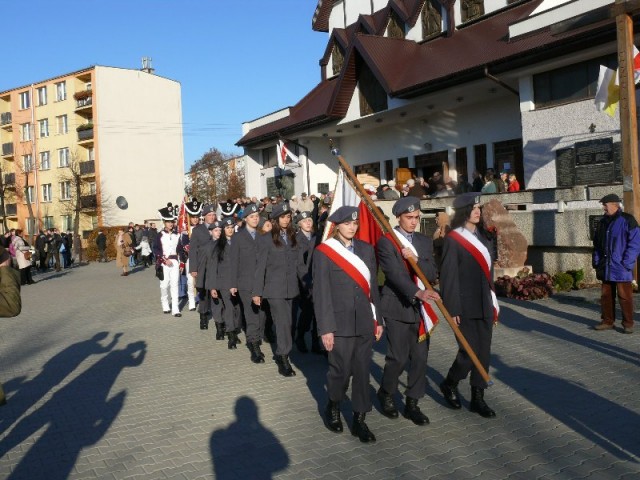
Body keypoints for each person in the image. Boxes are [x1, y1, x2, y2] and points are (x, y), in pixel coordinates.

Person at [313, 206, 383, 443]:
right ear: (337, 226)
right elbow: (321, 293)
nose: (352, 227)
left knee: (363, 373)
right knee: (340, 373)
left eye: (355, 224)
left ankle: (360, 420)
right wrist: (325, 329)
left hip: (364, 321)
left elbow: (373, 288)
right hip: (338, 325)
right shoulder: (324, 252)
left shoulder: (366, 249)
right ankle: (333, 405)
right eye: (347, 224)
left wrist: (378, 319)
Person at [376, 197, 440, 426]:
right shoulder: (387, 242)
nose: (414, 222)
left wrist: (415, 259)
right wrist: (417, 293)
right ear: (398, 217)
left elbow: (431, 272)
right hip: (397, 306)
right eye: (409, 217)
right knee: (398, 358)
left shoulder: (423, 241)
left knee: (420, 358)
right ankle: (386, 392)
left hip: (420, 309)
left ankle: (413, 402)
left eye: (417, 217)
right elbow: (394, 274)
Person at [439, 192, 499, 418]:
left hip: (484, 302)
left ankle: (478, 398)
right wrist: (452, 309)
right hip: (463, 305)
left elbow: (490, 272)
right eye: (473, 208)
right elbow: (448, 277)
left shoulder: (484, 236)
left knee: (483, 352)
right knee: (468, 352)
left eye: (478, 208)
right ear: (463, 212)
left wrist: (493, 301)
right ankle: (450, 383)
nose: (477, 211)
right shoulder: (454, 239)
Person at [253, 203, 300, 377]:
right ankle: (283, 357)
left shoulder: (292, 236)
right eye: (283, 217)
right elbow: (260, 267)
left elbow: (298, 265)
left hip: (291, 289)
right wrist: (257, 292)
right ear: (275, 219)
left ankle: (284, 350)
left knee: (289, 323)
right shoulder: (266, 239)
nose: (286, 220)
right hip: (274, 289)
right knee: (283, 323)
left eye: (288, 216)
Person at [592, 193, 640, 334]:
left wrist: (627, 263)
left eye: (605, 206)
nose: (604, 209)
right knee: (606, 296)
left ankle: (628, 323)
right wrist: (596, 261)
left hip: (621, 267)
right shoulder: (602, 222)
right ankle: (607, 321)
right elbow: (597, 245)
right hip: (605, 266)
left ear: (614, 205)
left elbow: (635, 243)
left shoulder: (627, 220)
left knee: (625, 297)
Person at [228, 204, 267, 363]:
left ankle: (257, 337)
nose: (255, 218)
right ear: (245, 219)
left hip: (263, 282)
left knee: (262, 315)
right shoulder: (238, 237)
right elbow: (233, 262)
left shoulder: (263, 236)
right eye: (252, 216)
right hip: (245, 282)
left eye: (257, 216)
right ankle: (254, 346)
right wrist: (232, 283)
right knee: (251, 315)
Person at [207, 217, 242, 349]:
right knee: (229, 308)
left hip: (239, 281)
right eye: (227, 228)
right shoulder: (218, 246)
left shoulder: (238, 242)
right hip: (224, 282)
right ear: (223, 230)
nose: (230, 230)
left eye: (232, 227)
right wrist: (213, 287)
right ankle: (231, 336)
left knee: (238, 309)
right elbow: (213, 267)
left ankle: (235, 330)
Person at [293, 210, 321, 354]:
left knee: (319, 313)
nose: (308, 223)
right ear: (299, 224)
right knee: (307, 312)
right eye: (305, 221)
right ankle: (300, 337)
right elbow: (300, 264)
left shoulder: (318, 237)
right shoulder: (297, 239)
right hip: (305, 281)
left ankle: (317, 343)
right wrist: (307, 283)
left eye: (310, 220)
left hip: (318, 279)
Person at [189, 204, 216, 329]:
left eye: (213, 215)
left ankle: (219, 320)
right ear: (204, 216)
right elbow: (193, 250)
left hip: (216, 266)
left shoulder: (218, 227)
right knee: (203, 292)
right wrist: (193, 268)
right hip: (202, 265)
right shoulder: (197, 230)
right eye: (209, 215)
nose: (211, 217)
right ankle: (203, 317)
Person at [153, 203, 182, 317]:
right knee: (164, 285)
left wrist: (182, 260)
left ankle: (175, 308)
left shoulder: (177, 235)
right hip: (164, 263)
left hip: (175, 262)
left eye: (172, 221)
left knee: (175, 285)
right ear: (164, 222)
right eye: (169, 221)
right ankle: (165, 304)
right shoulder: (159, 235)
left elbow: (179, 249)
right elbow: (156, 249)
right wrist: (164, 260)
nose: (171, 224)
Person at [179, 198, 203, 312]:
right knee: (190, 281)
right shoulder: (186, 231)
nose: (195, 219)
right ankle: (192, 301)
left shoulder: (203, 229)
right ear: (189, 217)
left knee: (201, 281)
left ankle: (202, 301)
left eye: (197, 217)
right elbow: (184, 245)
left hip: (202, 258)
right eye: (193, 217)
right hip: (190, 258)